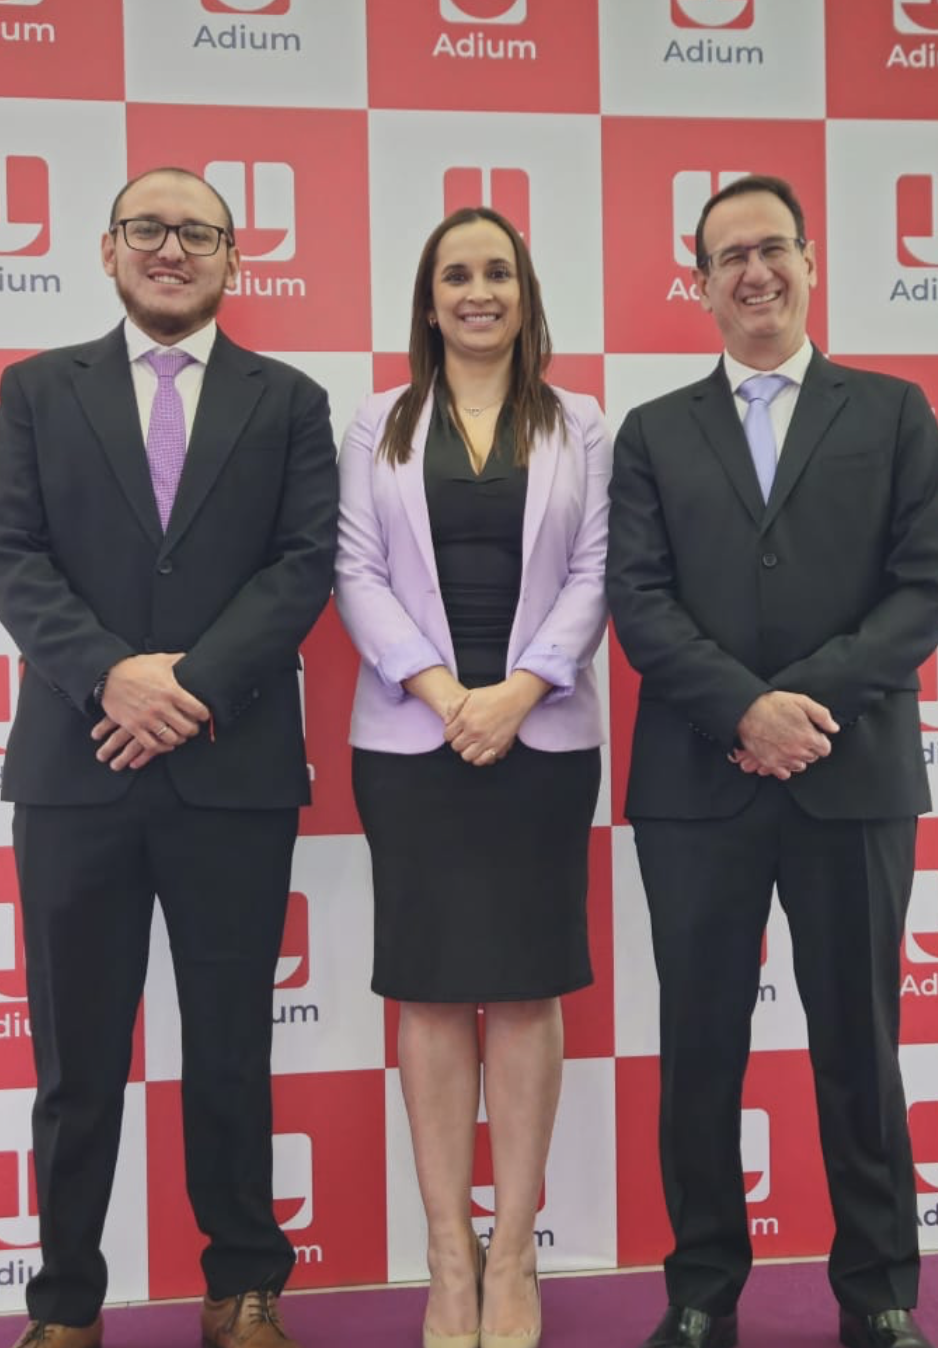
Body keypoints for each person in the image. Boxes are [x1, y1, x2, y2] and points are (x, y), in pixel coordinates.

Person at [0, 166, 338, 1348]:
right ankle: (65, 1304)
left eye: (196, 232)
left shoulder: (289, 401)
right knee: (75, 1057)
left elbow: (301, 565)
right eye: (147, 228)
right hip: (76, 767)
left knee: (231, 1044)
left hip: (231, 770)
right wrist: (110, 675)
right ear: (108, 247)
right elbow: (9, 552)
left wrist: (186, 686)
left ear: (233, 257)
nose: (170, 248)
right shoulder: (38, 389)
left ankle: (243, 1287)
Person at [606, 175, 938, 1348]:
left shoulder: (894, 412)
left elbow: (921, 592)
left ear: (808, 262)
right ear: (699, 283)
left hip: (851, 777)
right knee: (701, 1046)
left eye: (772, 249)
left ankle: (880, 1295)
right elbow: (639, 603)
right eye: (728, 257)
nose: (753, 272)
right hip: (695, 784)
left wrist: (799, 708)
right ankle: (701, 1292)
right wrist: (743, 712)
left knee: (859, 1039)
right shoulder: (653, 431)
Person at [334, 206, 609, 1348]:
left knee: (530, 990)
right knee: (435, 993)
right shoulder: (379, 420)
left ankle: (514, 1257)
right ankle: (449, 1259)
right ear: (429, 298)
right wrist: (448, 694)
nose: (479, 291)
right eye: (457, 274)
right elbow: (354, 570)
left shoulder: (581, 422)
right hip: (415, 741)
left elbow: (597, 570)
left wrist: (519, 691)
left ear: (524, 293)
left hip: (541, 740)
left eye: (498, 272)